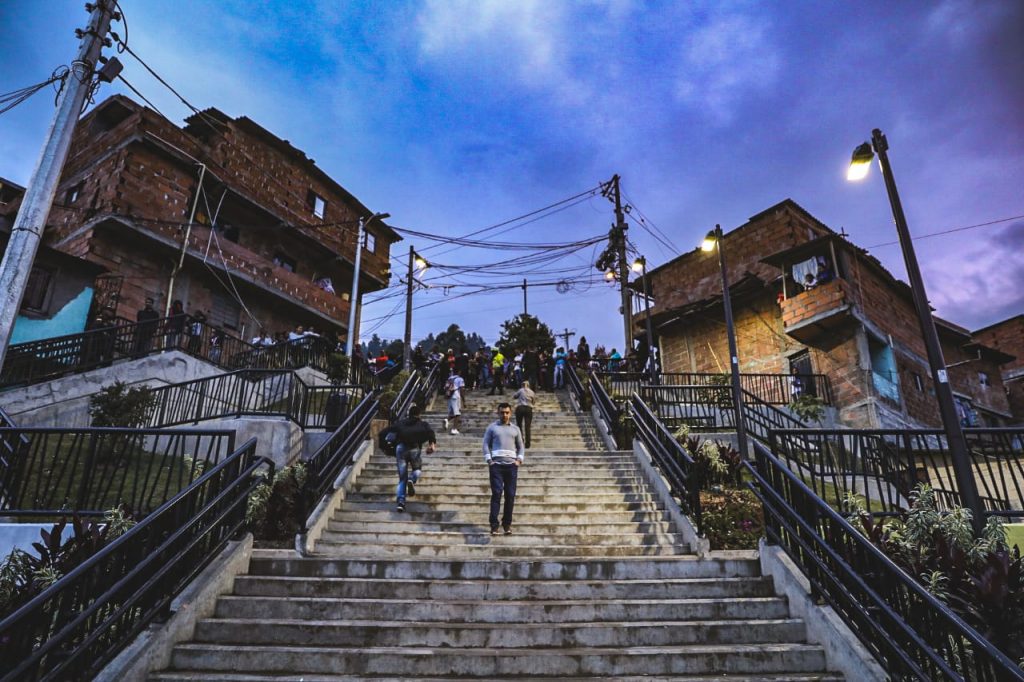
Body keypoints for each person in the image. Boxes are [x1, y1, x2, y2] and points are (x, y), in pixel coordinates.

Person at [385, 404, 437, 513]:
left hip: (401, 449)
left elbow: (389, 436)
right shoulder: (422, 424)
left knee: (402, 478)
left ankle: (401, 502)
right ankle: (412, 479)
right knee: (417, 470)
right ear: (419, 414)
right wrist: (432, 445)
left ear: (409, 414)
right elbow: (430, 433)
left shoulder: (402, 423)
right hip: (414, 448)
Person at [483, 402, 525, 535]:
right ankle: (494, 525)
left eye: (507, 412)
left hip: (511, 466)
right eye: (502, 412)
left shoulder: (515, 429)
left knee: (510, 495)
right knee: (496, 493)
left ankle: (507, 524)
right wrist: (489, 460)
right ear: (498, 413)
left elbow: (521, 446)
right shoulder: (492, 428)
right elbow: (485, 444)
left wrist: (519, 460)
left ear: (510, 413)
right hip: (496, 466)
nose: (504, 415)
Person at [512, 380, 537, 449]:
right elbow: (534, 401)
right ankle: (528, 444)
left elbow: (514, 396)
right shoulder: (532, 392)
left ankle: (520, 442)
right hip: (529, 408)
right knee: (527, 427)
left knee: (519, 425)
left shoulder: (521, 390)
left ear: (522, 385)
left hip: (520, 407)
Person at [443, 368, 465, 435]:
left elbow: (445, 387)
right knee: (457, 413)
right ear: (459, 371)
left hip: (450, 396)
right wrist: (464, 400)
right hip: (456, 396)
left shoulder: (450, 378)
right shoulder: (460, 379)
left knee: (452, 413)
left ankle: (447, 420)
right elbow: (461, 389)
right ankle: (454, 429)